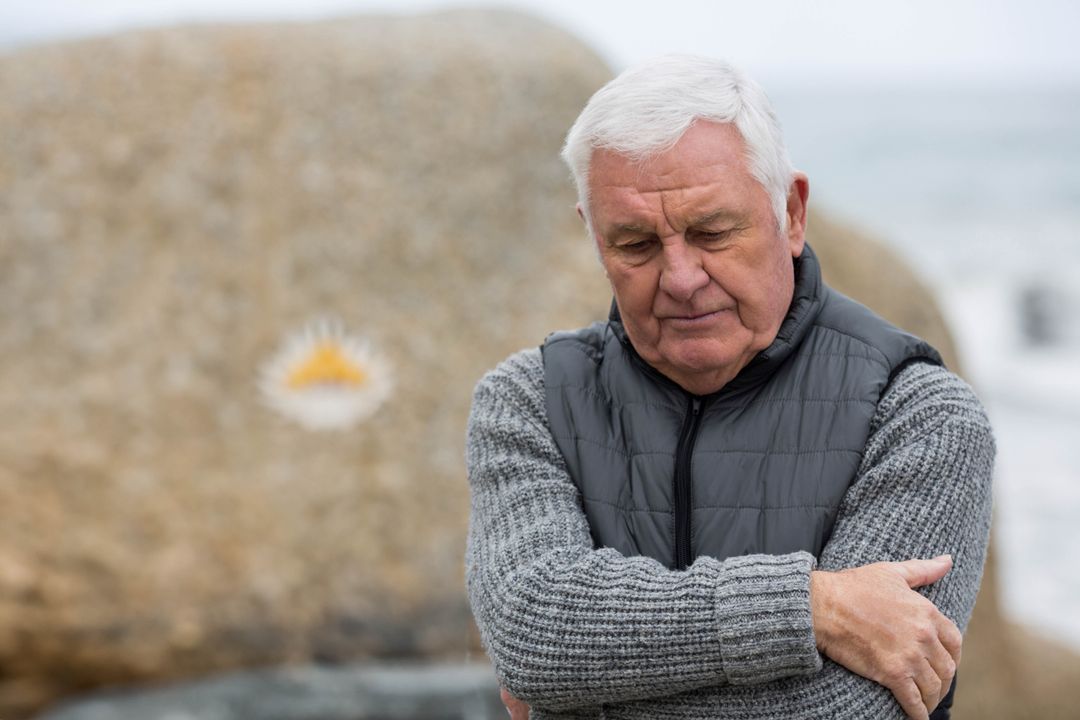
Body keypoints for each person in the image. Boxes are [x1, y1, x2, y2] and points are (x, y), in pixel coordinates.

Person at [465, 55, 994, 720]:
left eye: (712, 231)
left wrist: (579, 695)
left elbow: (838, 711)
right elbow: (532, 629)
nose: (681, 277)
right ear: (593, 239)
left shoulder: (919, 417)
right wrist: (811, 606)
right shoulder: (529, 401)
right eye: (635, 244)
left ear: (792, 212)